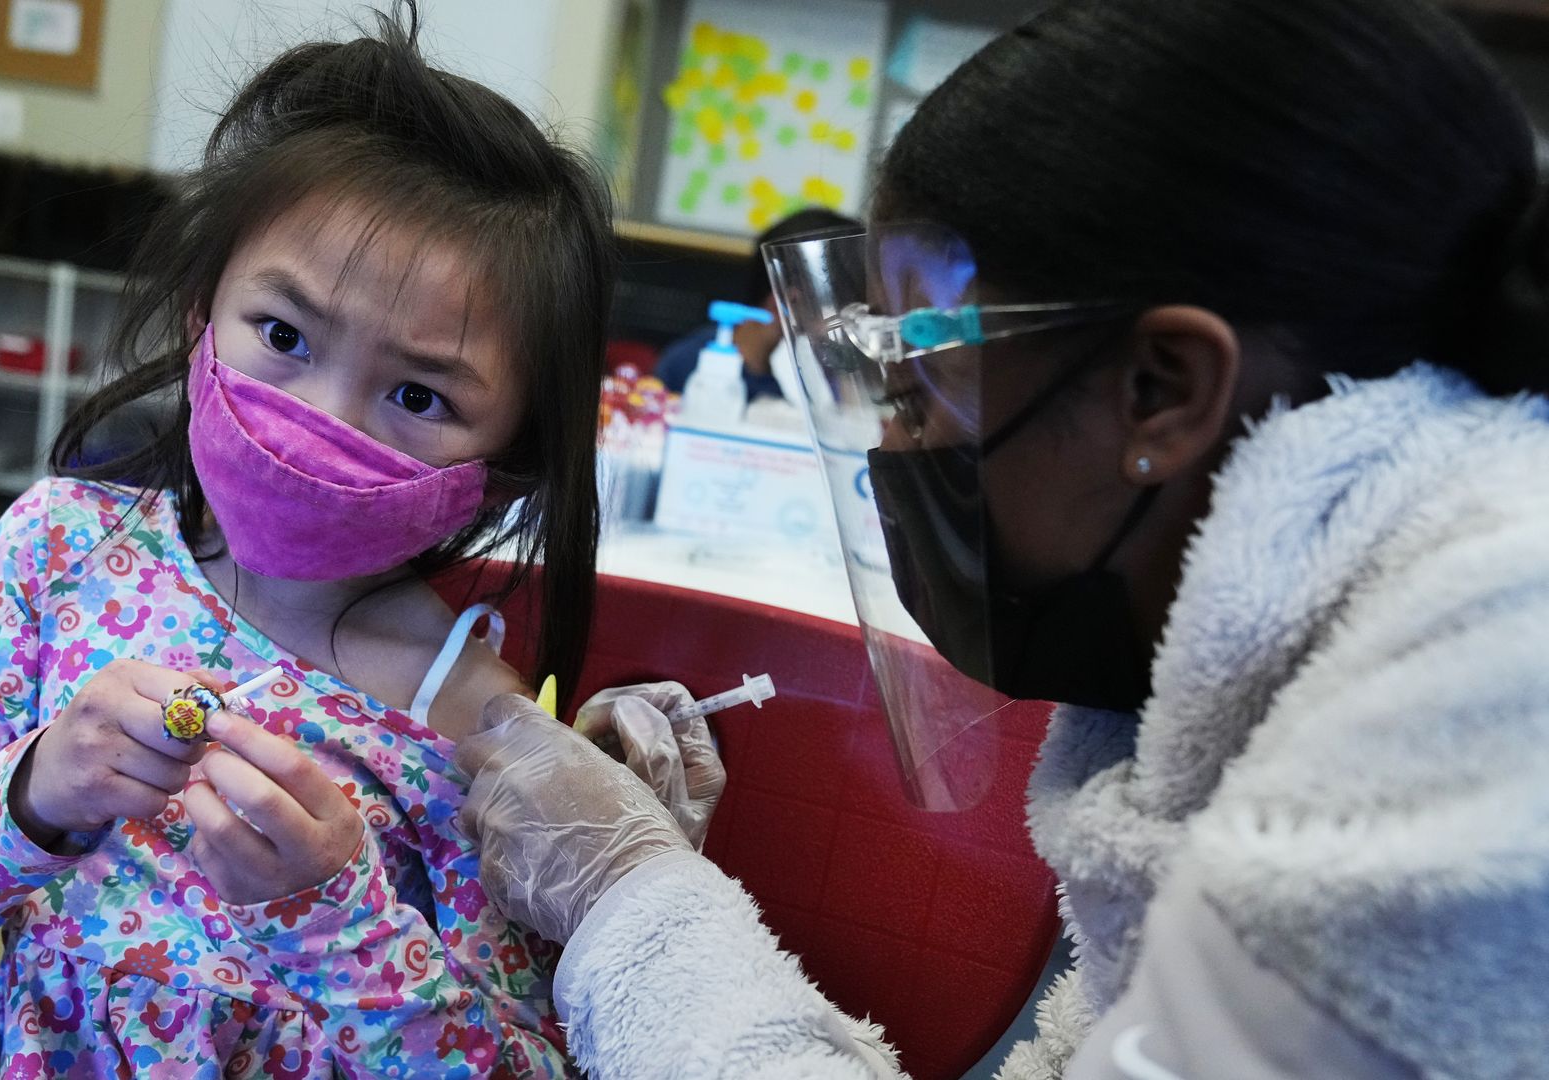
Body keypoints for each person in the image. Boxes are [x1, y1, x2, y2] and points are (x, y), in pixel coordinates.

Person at [451, 0, 1549, 1076]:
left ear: (1162, 388)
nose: (895, 447)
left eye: (921, 396)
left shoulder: (1484, 711)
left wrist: (631, 899)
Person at [0, 6, 614, 1076]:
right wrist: (37, 786)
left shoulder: (474, 732)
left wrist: (336, 916)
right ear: (202, 314)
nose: (324, 423)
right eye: (282, 336)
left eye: (418, 393)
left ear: (510, 459)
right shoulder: (61, 555)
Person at [652, 208, 861, 399]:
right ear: (791, 300)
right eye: (842, 305)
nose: (849, 321)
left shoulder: (813, 378)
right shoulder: (691, 367)